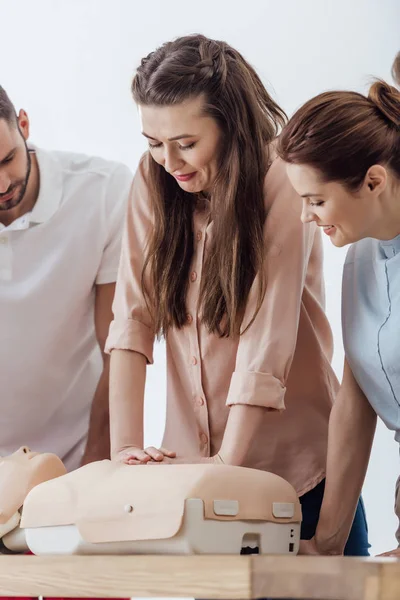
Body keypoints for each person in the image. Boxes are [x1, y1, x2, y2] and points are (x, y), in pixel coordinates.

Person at [105, 34, 369, 555]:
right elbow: (131, 321)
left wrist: (227, 465)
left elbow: (265, 340)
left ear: (228, 122)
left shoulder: (282, 179)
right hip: (196, 491)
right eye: (154, 143)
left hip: (297, 480)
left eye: (186, 142)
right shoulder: (151, 180)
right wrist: (124, 456)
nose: (169, 160)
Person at [277, 76, 400, 557]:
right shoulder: (359, 256)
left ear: (374, 181)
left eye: (317, 200)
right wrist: (326, 539)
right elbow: (357, 396)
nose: (307, 217)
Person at [0, 86, 132, 471]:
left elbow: (118, 346)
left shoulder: (103, 191)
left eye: (7, 159)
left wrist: (96, 464)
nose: (2, 185)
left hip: (74, 456)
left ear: (23, 124)